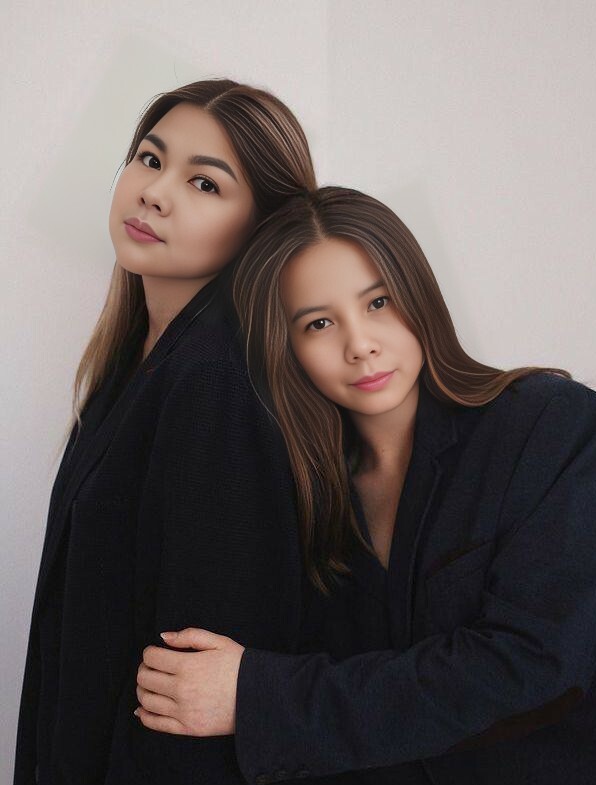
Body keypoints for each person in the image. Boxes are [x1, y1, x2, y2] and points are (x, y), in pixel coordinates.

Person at [134, 186, 596, 785]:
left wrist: (257, 698)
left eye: (378, 303)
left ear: (417, 294)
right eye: (319, 323)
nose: (360, 345)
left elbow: (532, 667)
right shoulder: (306, 493)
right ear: (287, 349)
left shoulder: (551, 425)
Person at [13, 78, 318, 785]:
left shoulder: (217, 381)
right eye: (150, 159)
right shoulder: (138, 363)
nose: (154, 192)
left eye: (205, 183)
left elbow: (191, 686)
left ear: (263, 228)